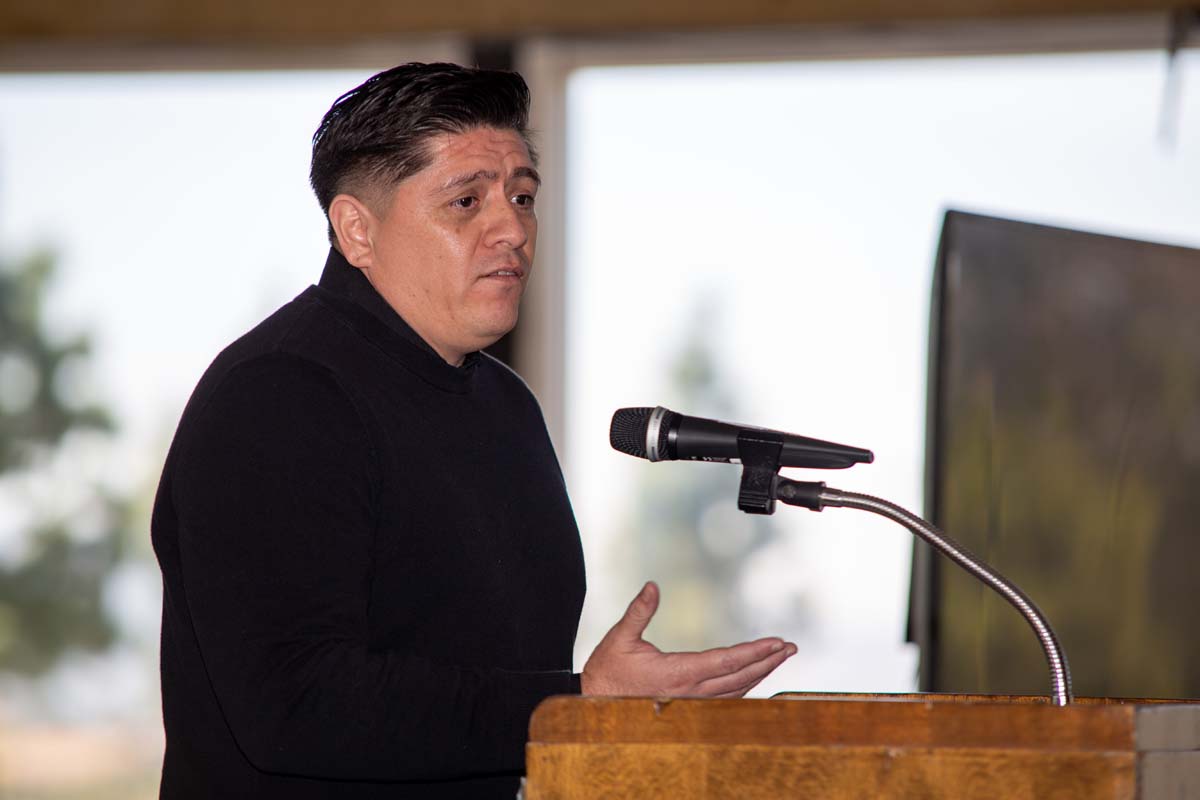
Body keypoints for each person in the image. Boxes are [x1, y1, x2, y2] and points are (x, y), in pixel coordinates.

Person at [151, 62, 796, 799]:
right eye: (466, 201)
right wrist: (577, 703)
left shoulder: (506, 406)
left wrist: (589, 712)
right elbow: (296, 705)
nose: (513, 228)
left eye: (522, 195)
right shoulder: (281, 395)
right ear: (357, 229)